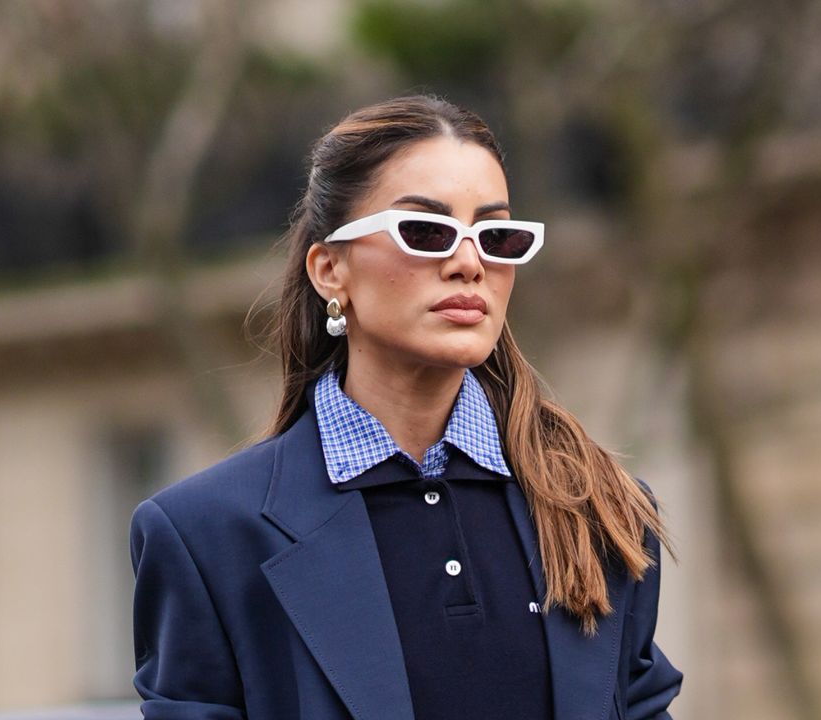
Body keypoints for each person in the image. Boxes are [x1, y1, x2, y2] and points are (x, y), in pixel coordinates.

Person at [130, 95, 683, 720]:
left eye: (496, 236)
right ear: (330, 268)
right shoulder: (206, 537)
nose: (469, 263)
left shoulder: (601, 512)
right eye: (425, 231)